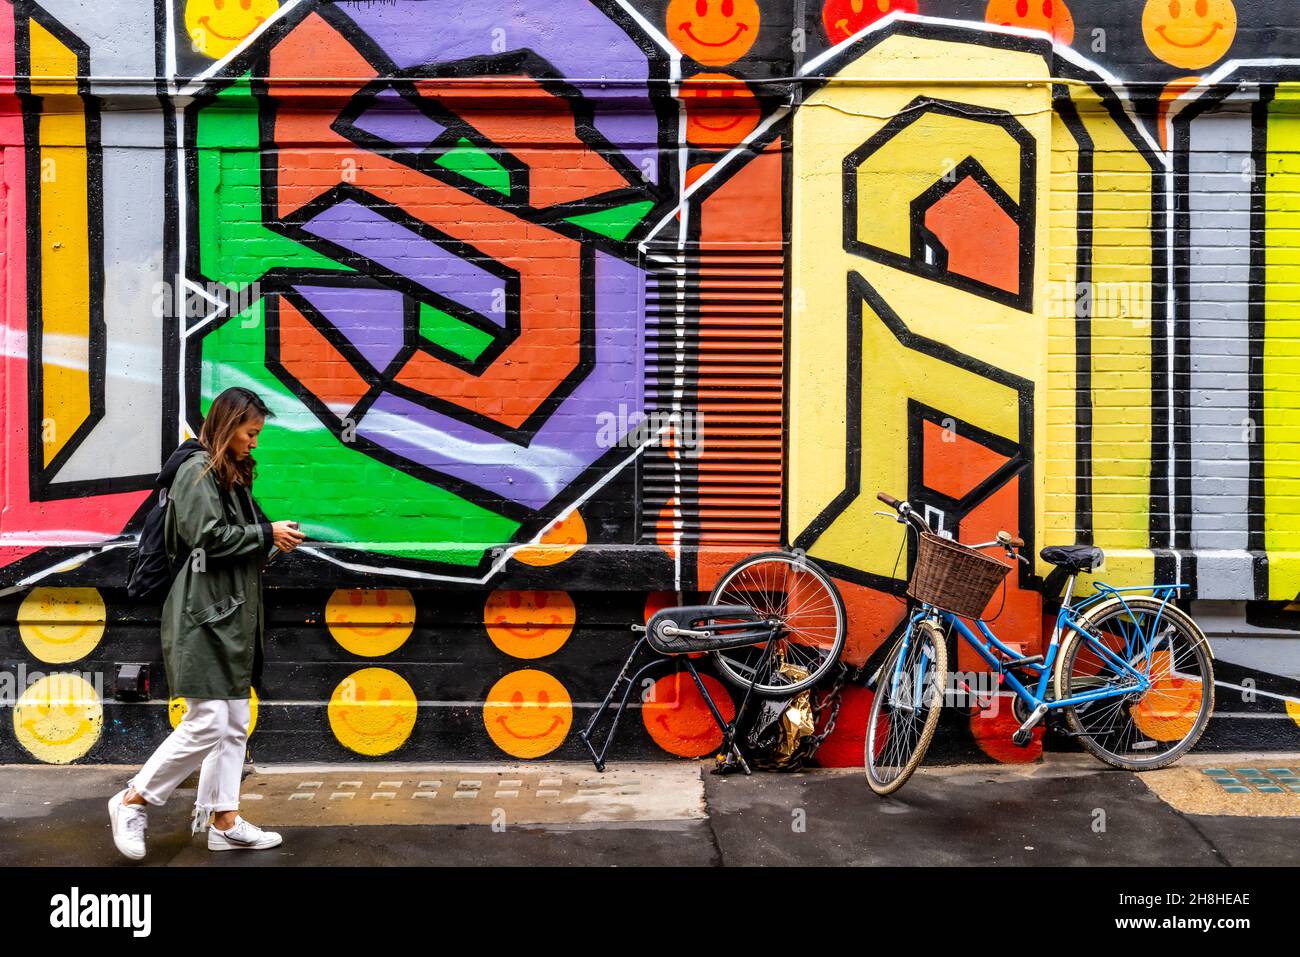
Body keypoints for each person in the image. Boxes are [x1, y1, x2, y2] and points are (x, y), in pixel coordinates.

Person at [108, 387, 307, 858]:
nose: (255, 442)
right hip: (201, 614)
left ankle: (224, 820)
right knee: (208, 720)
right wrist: (265, 532)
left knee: (235, 719)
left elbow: (233, 542)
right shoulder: (196, 470)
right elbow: (205, 536)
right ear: (227, 425)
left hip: (229, 612)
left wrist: (270, 539)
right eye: (250, 432)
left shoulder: (226, 473)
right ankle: (133, 799)